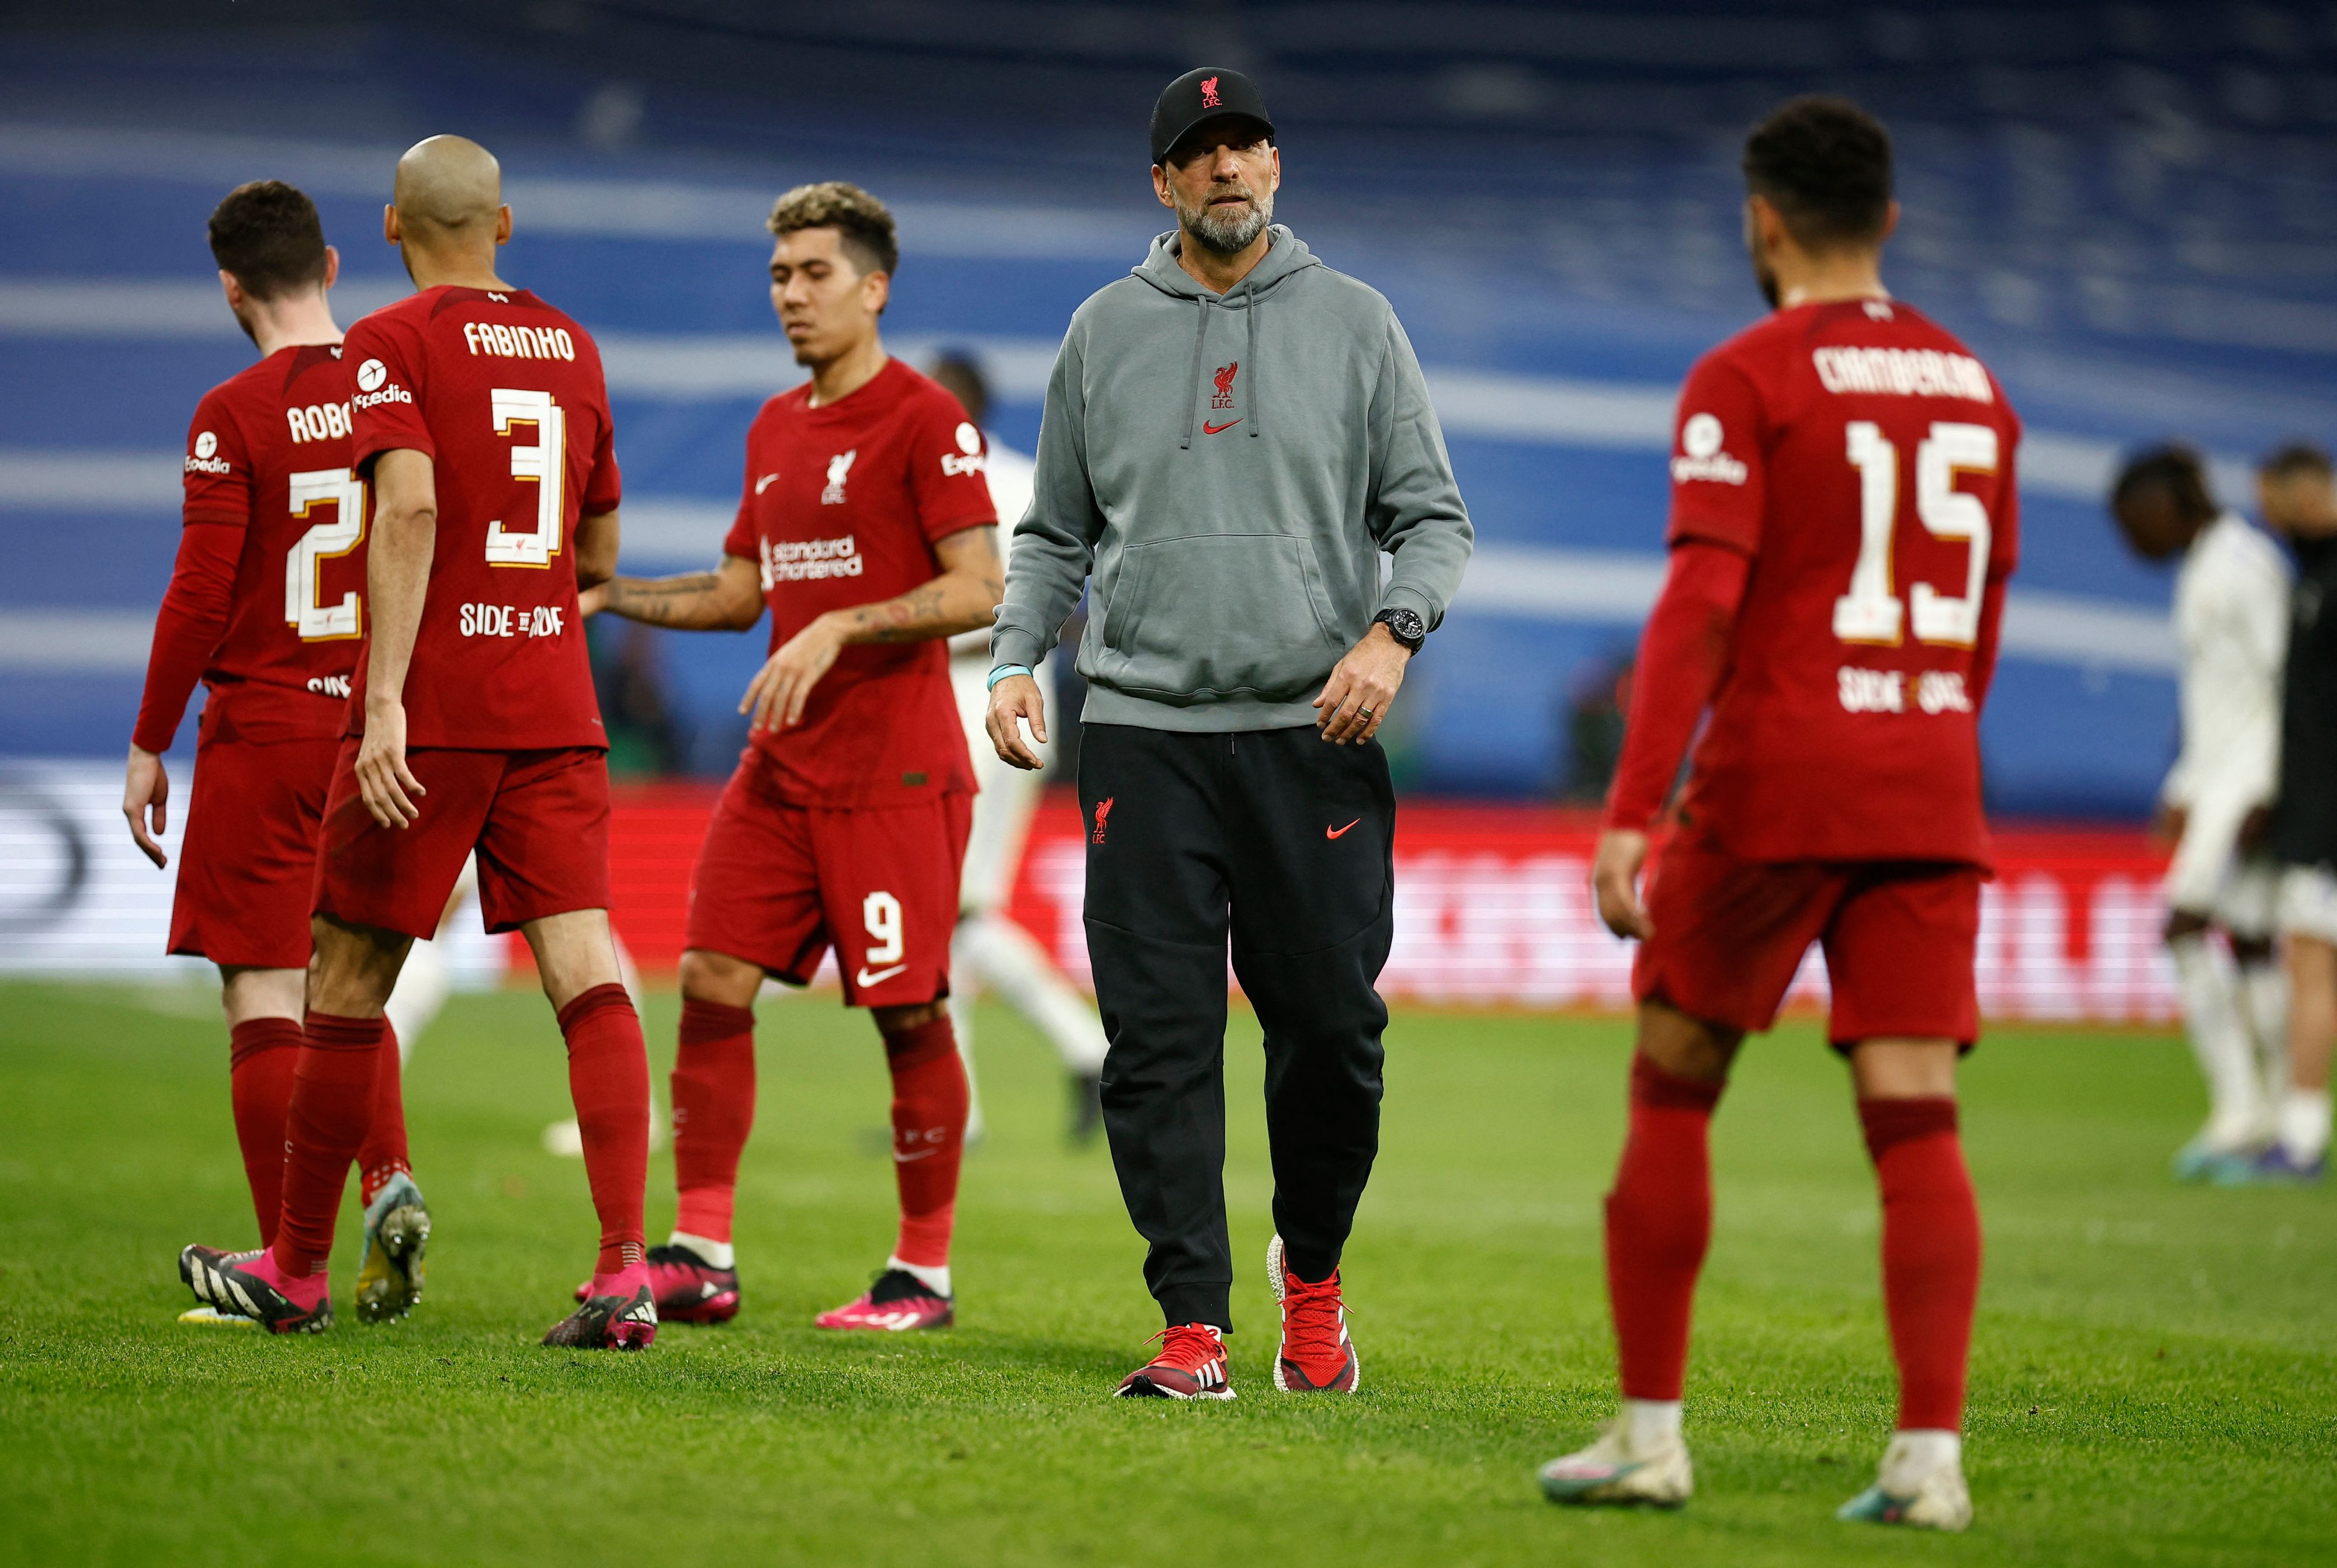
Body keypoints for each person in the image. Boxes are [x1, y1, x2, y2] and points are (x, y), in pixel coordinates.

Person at [1537, 97, 2020, 1531]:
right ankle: (1928, 1462)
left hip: (1775, 781)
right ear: (1889, 220)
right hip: (1928, 782)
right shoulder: (1975, 386)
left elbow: (1700, 599)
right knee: (1915, 1114)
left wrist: (1632, 806)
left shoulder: (1743, 376)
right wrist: (1928, 735)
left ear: (1761, 221)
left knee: (1673, 1078)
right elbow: (1979, 618)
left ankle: (1648, 1438)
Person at [987, 67, 1473, 1400]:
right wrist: (1017, 655)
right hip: (1140, 732)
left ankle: (1310, 1278)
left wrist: (1392, 633)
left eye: (1245, 144)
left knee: (1330, 1033)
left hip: (1310, 730)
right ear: (1162, 182)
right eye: (1198, 151)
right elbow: (1054, 531)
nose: (1225, 167)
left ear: (1275, 165)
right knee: (1155, 1040)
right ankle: (1191, 1321)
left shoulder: (1356, 322)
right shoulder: (1102, 331)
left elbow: (1432, 518)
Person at [176, 136, 656, 1348]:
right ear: (507, 222)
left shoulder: (391, 341)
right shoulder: (575, 345)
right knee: (588, 970)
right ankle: (623, 1271)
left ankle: (295, 1267)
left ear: (391, 227)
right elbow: (598, 549)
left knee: (344, 977)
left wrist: (382, 698)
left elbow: (412, 503)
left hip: (436, 708)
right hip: (554, 705)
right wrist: (533, 608)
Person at [580, 183, 1001, 1331]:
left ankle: (922, 1273)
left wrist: (841, 625)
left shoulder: (925, 420)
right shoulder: (773, 427)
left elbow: (981, 587)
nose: (792, 295)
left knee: (907, 1013)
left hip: (895, 776)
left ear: (874, 288)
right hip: (781, 770)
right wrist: (608, 594)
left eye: (815, 274)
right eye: (779, 276)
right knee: (711, 979)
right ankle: (700, 1252)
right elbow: (738, 593)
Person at [131, 180, 429, 1330]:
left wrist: (149, 738)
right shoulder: (396, 387)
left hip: (265, 727)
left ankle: (282, 1263)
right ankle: (386, 1171)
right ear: (334, 266)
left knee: (262, 984)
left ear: (230, 288)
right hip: (377, 725)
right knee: (348, 974)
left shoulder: (232, 412)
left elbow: (201, 589)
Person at [928, 351, 1111, 1146]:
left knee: (944, 905)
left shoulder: (994, 485)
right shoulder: (994, 482)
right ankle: (1080, 1053)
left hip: (986, 700)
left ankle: (956, 1110)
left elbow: (1040, 602)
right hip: (1000, 700)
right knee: (958, 910)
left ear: (964, 405)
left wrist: (921, 636)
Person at [2109, 447, 2290, 1178]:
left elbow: (2287, 683)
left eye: (2134, 523)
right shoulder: (2203, 565)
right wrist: (2182, 787)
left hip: (2250, 783)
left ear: (2165, 504)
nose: (2133, 541)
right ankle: (2276, 1117)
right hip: (2218, 780)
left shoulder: (2246, 566)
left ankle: (2241, 1110)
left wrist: (2269, 789)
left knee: (2184, 925)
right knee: (2250, 941)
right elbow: (2215, 698)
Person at [2249, 442, 2337, 1184]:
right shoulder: (2310, 572)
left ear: (2302, 497)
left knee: (2311, 966)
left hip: (2324, 818)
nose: (2264, 517)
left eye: (2271, 503)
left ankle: (2302, 1135)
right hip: (2312, 810)